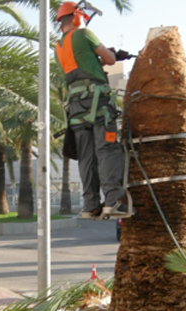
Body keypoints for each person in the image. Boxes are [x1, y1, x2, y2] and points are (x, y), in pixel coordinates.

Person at [55, 1, 127, 218]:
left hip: (76, 109)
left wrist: (98, 61)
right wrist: (112, 55)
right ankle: (113, 201)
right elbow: (110, 59)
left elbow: (83, 66)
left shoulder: (58, 47)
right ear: (77, 17)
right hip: (98, 105)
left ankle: (90, 205)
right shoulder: (84, 34)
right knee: (107, 149)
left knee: (86, 156)